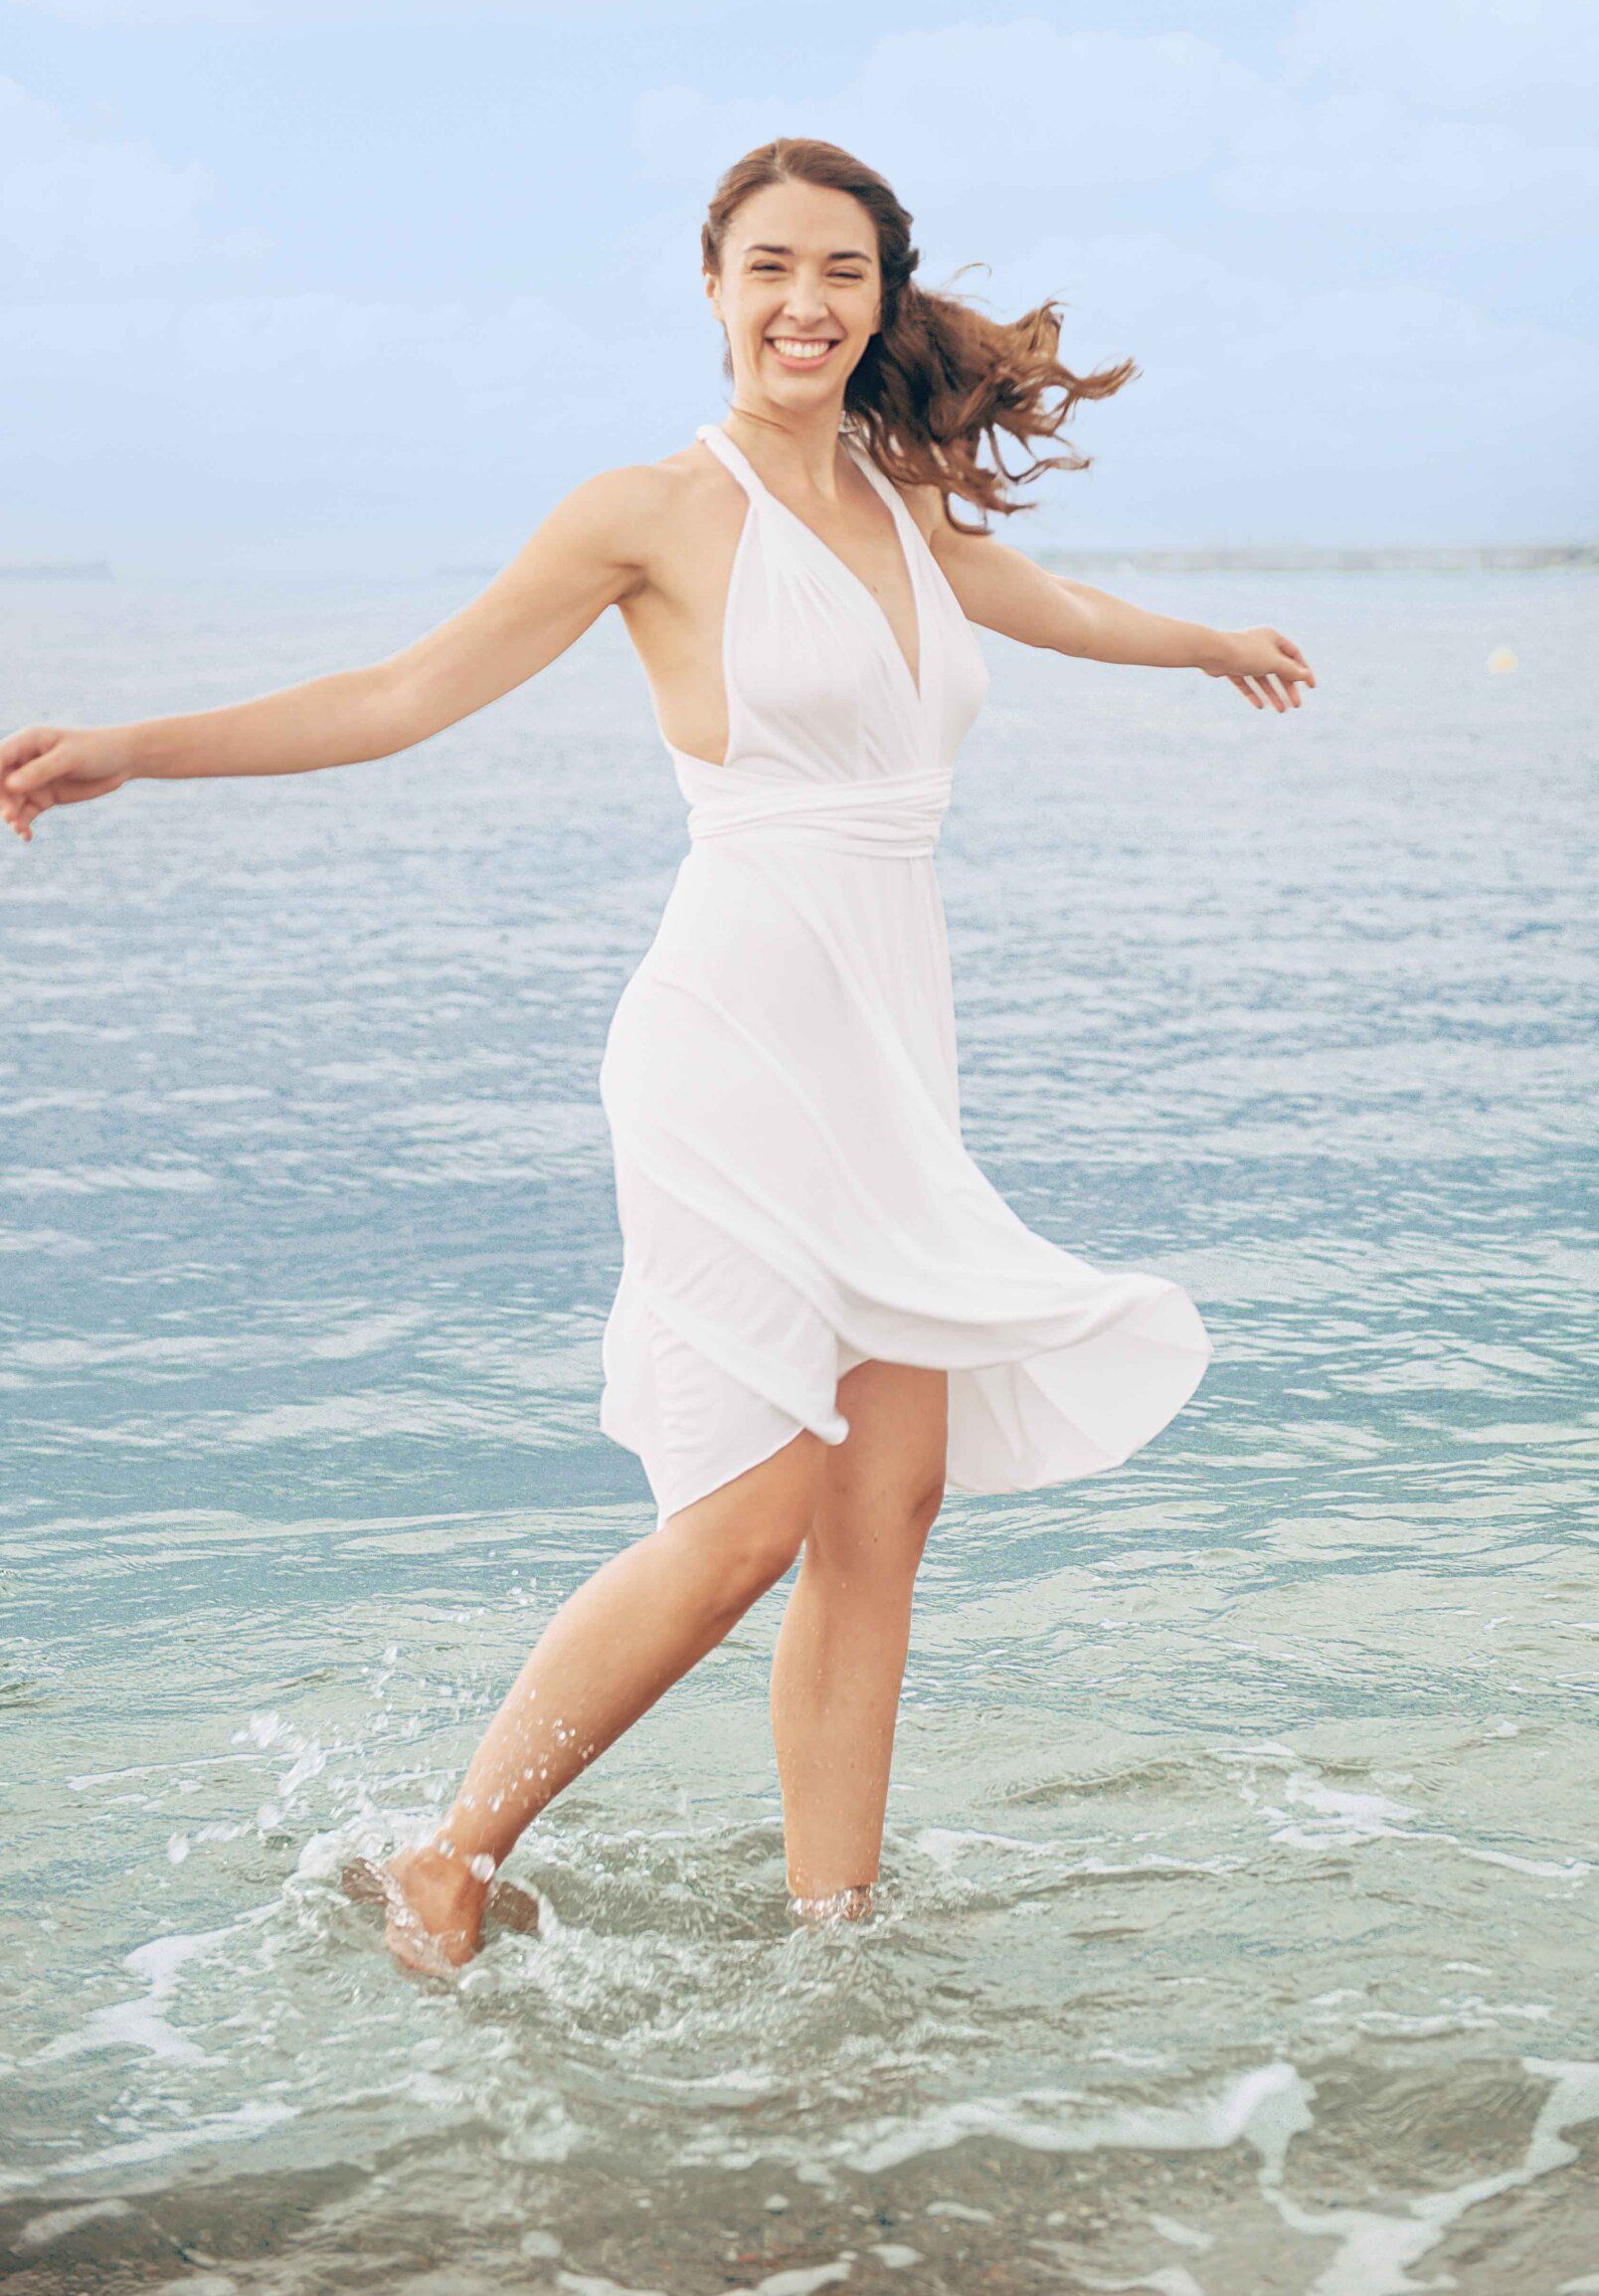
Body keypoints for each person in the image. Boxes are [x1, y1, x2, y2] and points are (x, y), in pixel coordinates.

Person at [0, 137, 1316, 1976]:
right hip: (732, 1031)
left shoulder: (910, 508)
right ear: (712, 285)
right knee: (758, 1510)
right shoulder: (651, 514)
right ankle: (450, 1854)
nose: (806, 303)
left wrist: (1208, 647)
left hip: (888, 1048)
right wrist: (137, 744)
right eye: (771, 266)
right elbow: (400, 692)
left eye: (842, 273)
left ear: (880, 296)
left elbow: (1047, 608)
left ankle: (834, 1943)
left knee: (887, 1509)